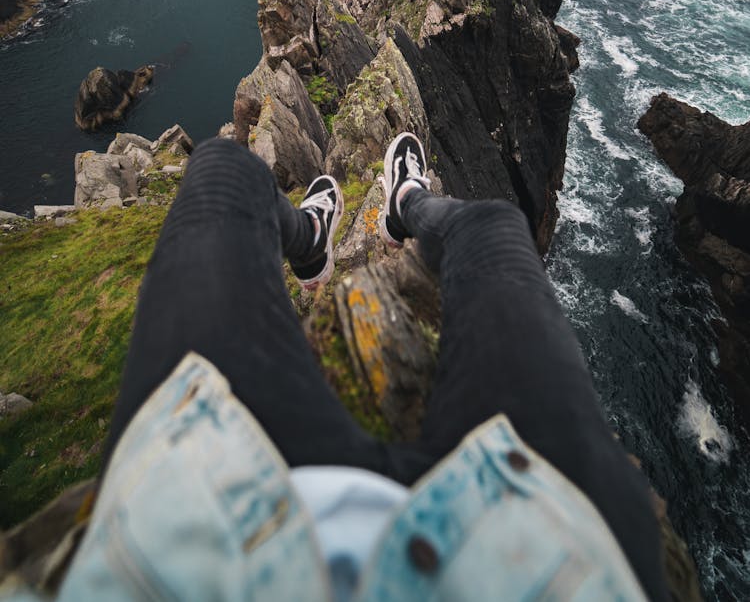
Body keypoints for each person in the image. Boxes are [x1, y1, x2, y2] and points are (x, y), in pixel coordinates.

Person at [49, 134, 669, 600]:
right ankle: (407, 202)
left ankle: (312, 235)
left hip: (211, 519)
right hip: (537, 544)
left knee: (223, 166)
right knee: (493, 223)